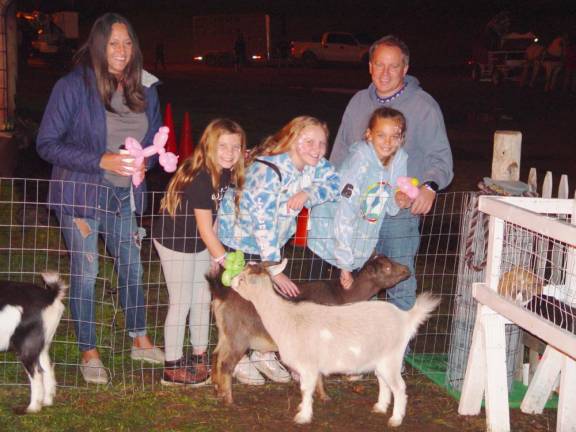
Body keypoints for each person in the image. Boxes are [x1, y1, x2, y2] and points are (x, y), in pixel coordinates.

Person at [36, 13, 164, 384]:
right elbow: (47, 143)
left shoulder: (146, 88)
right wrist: (99, 159)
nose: (121, 51)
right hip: (81, 196)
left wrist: (146, 163)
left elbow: (155, 141)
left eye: (127, 43)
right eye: (113, 43)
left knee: (132, 267)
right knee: (87, 272)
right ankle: (89, 351)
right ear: (98, 45)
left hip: (125, 196)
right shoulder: (73, 87)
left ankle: (139, 338)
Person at [329, 35, 453, 312]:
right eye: (379, 65)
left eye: (393, 66)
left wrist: (429, 187)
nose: (385, 73)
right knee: (359, 284)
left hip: (400, 213)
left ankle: (399, 352)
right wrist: (330, 192)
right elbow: (340, 153)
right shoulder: (358, 103)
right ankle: (362, 350)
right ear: (370, 66)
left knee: (400, 282)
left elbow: (441, 158)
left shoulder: (424, 106)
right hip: (361, 214)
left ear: (405, 69)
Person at [218, 115, 340, 384]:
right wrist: (273, 269)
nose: (316, 149)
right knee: (243, 302)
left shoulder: (313, 165)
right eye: (308, 141)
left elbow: (335, 183)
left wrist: (309, 194)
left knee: (269, 301)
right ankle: (239, 356)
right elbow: (262, 224)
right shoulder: (267, 172)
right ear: (292, 139)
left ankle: (264, 352)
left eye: (321, 143)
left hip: (271, 243)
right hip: (242, 240)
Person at [153, 119, 245, 386]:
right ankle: (171, 366)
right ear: (208, 146)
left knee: (203, 297)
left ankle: (200, 356)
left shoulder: (225, 172)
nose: (229, 153)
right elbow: (206, 230)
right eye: (223, 146)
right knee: (181, 300)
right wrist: (225, 261)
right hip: (175, 241)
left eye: (235, 147)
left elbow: (212, 222)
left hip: (198, 240)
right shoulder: (202, 178)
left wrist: (214, 257)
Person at [308, 107, 412, 286]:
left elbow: (389, 200)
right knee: (317, 298)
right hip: (328, 236)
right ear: (369, 135)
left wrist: (398, 199)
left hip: (358, 241)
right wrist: (345, 264)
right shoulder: (359, 162)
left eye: (394, 136)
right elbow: (345, 211)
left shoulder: (398, 160)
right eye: (381, 135)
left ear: (401, 138)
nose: (387, 142)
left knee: (348, 303)